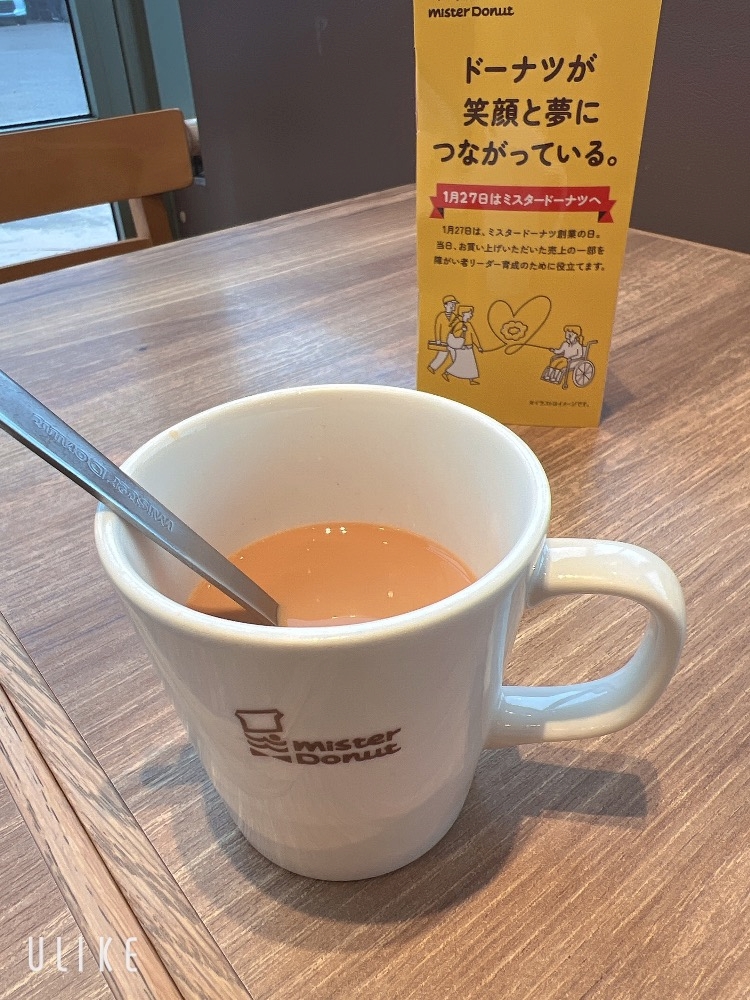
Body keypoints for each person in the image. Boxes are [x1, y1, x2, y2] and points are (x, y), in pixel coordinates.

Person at [442, 305, 482, 384]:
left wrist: (478, 346)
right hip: (462, 348)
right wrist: (462, 331)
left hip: (469, 348)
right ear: (464, 313)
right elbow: (455, 334)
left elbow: (474, 336)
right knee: (459, 364)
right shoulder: (459, 324)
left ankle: (471, 379)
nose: (471, 315)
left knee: (471, 364)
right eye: (470, 313)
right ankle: (446, 373)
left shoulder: (469, 324)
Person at [428, 294, 458, 374]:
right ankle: (432, 367)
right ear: (446, 305)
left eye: (454, 304)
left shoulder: (455, 316)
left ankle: (456, 369)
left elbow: (456, 328)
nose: (453, 306)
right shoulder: (441, 316)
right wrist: (438, 340)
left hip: (452, 340)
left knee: (454, 355)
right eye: (451, 304)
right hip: (443, 340)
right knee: (443, 355)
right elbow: (437, 328)